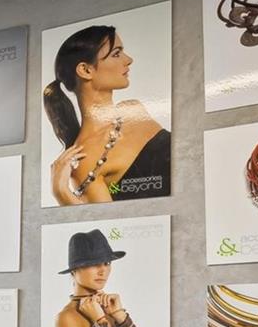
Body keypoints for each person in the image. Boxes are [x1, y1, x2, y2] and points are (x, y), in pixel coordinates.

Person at [43, 25, 170, 204]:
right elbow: (105, 220)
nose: (129, 60)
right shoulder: (85, 160)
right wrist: (61, 192)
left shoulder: (133, 109)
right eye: (116, 54)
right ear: (86, 70)